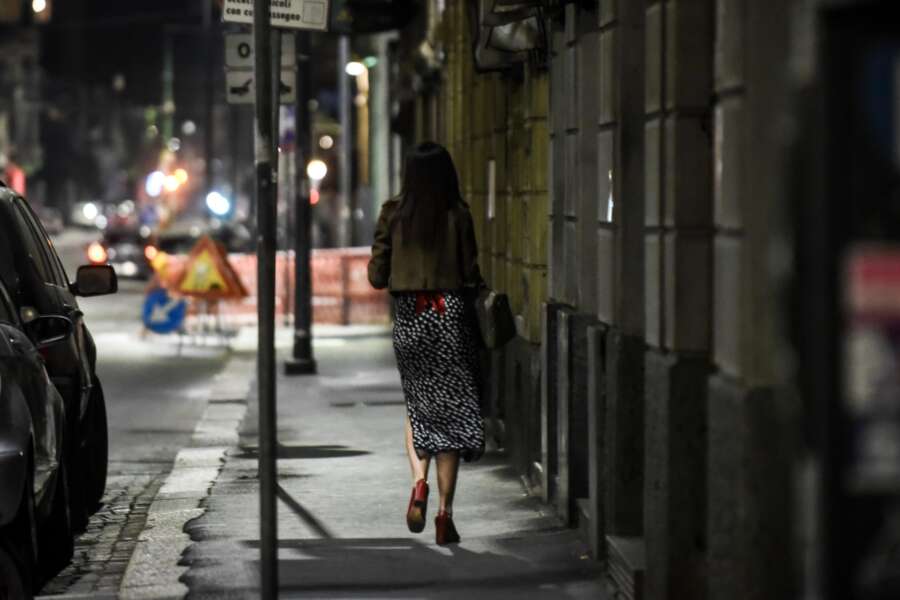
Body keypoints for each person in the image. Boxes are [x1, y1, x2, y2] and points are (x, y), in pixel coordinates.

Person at [368, 141, 485, 545]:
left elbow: (377, 276)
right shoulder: (458, 214)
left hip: (411, 319)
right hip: (449, 317)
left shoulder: (392, 214)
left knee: (417, 405)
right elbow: (471, 274)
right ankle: (444, 514)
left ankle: (419, 484)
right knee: (450, 413)